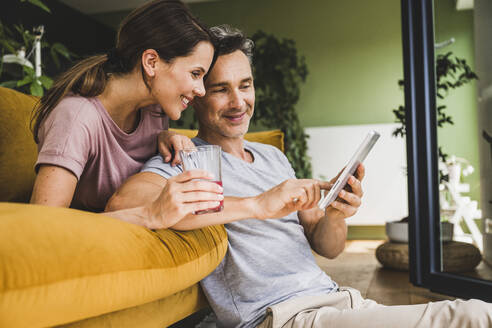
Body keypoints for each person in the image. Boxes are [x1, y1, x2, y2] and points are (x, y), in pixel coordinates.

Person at [107, 25, 492, 328]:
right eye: (220, 89)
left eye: (245, 85)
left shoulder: (273, 157)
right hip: (284, 317)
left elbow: (327, 246)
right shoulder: (186, 160)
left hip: (339, 302)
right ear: (196, 94)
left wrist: (337, 213)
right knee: (474, 316)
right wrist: (258, 205)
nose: (239, 102)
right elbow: (126, 205)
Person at [29, 0, 216, 214]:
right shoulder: (76, 118)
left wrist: (163, 137)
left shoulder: (154, 111)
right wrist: (149, 216)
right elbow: (44, 221)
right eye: (195, 74)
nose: (201, 90)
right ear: (151, 62)